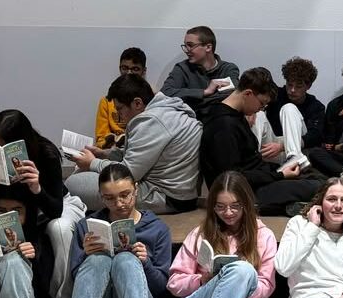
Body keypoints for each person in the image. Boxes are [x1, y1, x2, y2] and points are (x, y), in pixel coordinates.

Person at [60, 164, 174, 298]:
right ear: (101, 197)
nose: (119, 203)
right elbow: (76, 279)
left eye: (125, 195)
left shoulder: (157, 228)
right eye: (109, 198)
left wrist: (145, 263)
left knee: (126, 259)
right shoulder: (87, 225)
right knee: (98, 260)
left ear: (136, 189)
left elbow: (161, 288)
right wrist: (86, 255)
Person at [157, 172, 278, 298]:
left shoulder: (264, 236)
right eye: (220, 207)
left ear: (246, 204)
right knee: (243, 269)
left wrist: (238, 285)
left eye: (235, 206)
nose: (228, 213)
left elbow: (266, 288)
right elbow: (174, 283)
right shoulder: (200, 233)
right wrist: (202, 280)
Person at [199, 67, 326, 215]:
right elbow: (232, 177)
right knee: (321, 188)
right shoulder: (223, 126)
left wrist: (278, 171)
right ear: (248, 94)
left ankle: (291, 204)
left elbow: (250, 163)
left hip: (258, 181)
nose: (261, 109)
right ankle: (285, 204)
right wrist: (279, 175)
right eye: (262, 104)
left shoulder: (235, 116)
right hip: (244, 192)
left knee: (316, 177)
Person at [69, 74, 202, 214]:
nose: (119, 115)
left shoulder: (152, 121)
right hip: (180, 194)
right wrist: (104, 154)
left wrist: (92, 163)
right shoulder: (166, 110)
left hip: (165, 196)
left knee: (74, 184)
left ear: (137, 103)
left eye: (120, 109)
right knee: (85, 175)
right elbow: (140, 154)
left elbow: (128, 173)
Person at [0, 110, 70, 298]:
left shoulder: (46, 153)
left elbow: (55, 209)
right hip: (16, 208)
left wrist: (37, 187)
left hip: (51, 201)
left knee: (60, 229)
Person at [253, 56, 325, 169]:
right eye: (289, 84)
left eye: (298, 86)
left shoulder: (315, 106)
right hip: (271, 147)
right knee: (258, 113)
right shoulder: (276, 95)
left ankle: (294, 157)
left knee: (289, 108)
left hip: (298, 149)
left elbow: (315, 136)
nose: (292, 90)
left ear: (308, 86)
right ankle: (252, 156)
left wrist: (283, 146)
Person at [161, 25, 240, 113]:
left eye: (190, 45)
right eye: (185, 46)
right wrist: (204, 92)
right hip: (190, 118)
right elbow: (165, 92)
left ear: (208, 47)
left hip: (219, 115)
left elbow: (234, 95)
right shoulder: (182, 68)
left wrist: (193, 101)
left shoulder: (228, 69)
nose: (186, 50)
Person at [94, 47, 146, 148]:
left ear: (143, 71)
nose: (129, 73)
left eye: (135, 69)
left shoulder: (150, 99)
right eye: (125, 68)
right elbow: (101, 139)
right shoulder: (107, 101)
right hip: (112, 150)